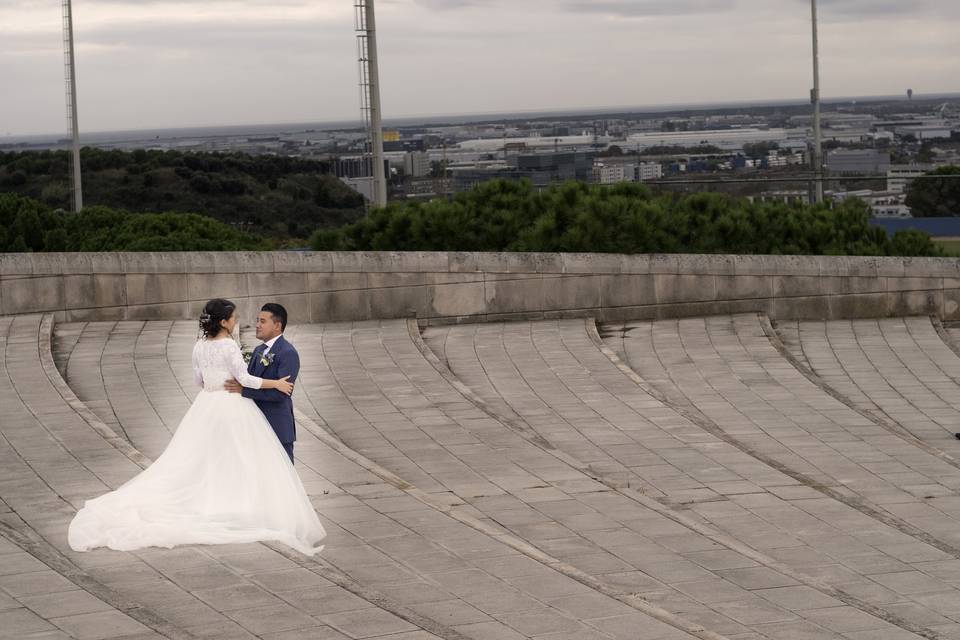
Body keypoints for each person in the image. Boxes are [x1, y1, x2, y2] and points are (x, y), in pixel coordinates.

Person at [68, 298, 325, 555]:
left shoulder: (199, 346)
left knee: (210, 458)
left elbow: (198, 380)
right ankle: (244, 507)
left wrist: (219, 384)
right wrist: (274, 384)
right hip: (230, 406)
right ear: (223, 322)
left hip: (207, 405)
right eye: (234, 318)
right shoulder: (229, 346)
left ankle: (225, 503)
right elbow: (245, 378)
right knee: (240, 457)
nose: (240, 322)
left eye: (260, 320)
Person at [224, 303, 298, 463]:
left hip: (277, 426)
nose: (257, 325)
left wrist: (243, 390)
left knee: (284, 478)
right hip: (256, 426)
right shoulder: (258, 351)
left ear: (277, 325)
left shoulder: (288, 353)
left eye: (263, 321)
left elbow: (280, 393)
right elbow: (250, 379)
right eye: (257, 320)